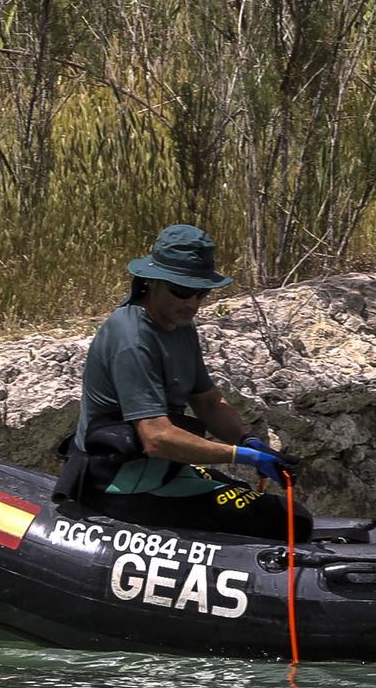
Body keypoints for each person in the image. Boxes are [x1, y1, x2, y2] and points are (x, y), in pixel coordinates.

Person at [56, 223, 311, 541]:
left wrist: (249, 442)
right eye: (181, 290)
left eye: (201, 292)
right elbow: (156, 438)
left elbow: (206, 400)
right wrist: (237, 456)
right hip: (117, 483)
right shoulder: (132, 339)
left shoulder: (180, 325)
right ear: (152, 281)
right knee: (293, 520)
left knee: (245, 493)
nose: (192, 302)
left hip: (161, 470)